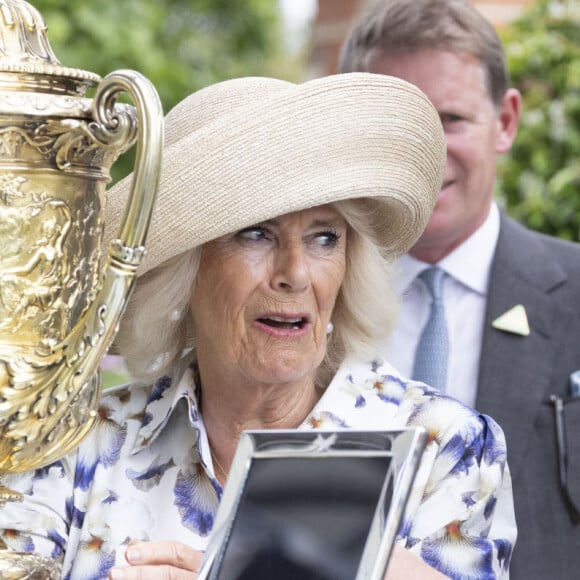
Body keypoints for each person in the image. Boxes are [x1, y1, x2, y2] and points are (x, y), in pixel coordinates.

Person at [0, 73, 515, 579]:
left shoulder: (445, 447)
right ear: (186, 268)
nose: (294, 273)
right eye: (255, 234)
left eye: (324, 238)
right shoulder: (75, 445)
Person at [339, 1, 580, 578]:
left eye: (451, 119)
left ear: (506, 121)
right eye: (399, 125)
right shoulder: (298, 308)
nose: (427, 152)